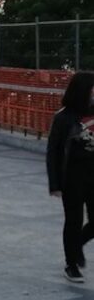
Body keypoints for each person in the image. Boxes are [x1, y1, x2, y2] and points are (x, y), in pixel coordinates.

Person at [47, 72, 94, 283]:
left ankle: (77, 245)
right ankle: (71, 264)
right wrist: (54, 184)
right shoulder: (63, 118)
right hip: (73, 178)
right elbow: (53, 152)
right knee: (73, 221)